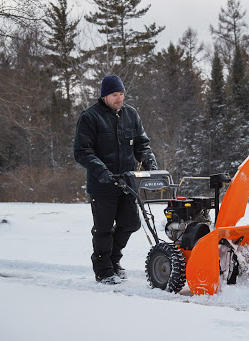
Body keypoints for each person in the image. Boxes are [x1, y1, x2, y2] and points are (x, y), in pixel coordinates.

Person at [74, 75, 157, 285]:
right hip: (102, 184)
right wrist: (102, 171)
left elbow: (141, 144)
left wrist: (149, 163)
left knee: (131, 223)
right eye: (114, 95)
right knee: (103, 228)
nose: (119, 98)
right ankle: (103, 271)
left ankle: (113, 259)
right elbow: (82, 151)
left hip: (127, 182)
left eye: (121, 94)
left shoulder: (131, 114)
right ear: (104, 96)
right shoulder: (90, 117)